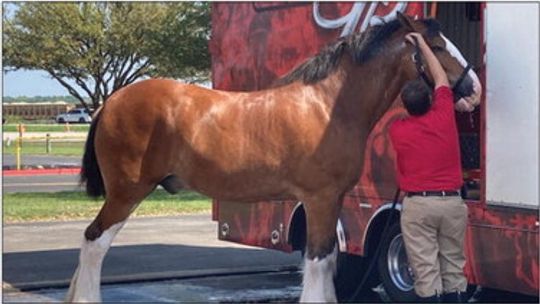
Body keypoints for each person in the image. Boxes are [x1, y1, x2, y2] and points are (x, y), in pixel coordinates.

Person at [389, 32, 474, 303]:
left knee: (426, 273)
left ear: (407, 106)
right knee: (453, 270)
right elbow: (440, 78)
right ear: (431, 102)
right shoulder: (444, 114)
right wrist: (423, 44)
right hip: (451, 204)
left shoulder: (398, 130)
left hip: (419, 207)